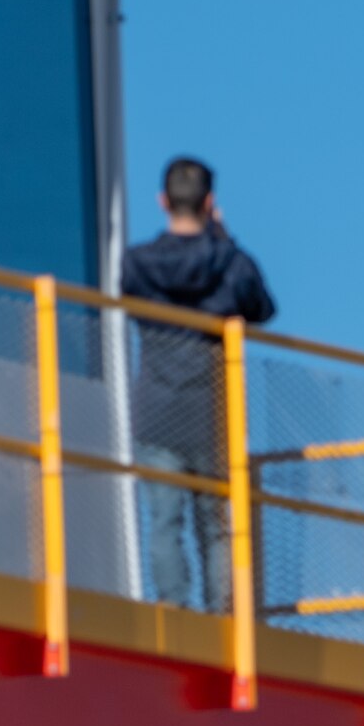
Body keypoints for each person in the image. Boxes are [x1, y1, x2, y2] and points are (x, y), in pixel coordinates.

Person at [120, 157, 276, 612]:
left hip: (157, 410)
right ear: (210, 203)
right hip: (213, 412)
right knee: (219, 527)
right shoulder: (230, 262)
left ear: (163, 201)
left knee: (164, 522)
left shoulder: (137, 264)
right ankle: (223, 620)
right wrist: (222, 239)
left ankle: (173, 609)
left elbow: (127, 301)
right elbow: (262, 307)